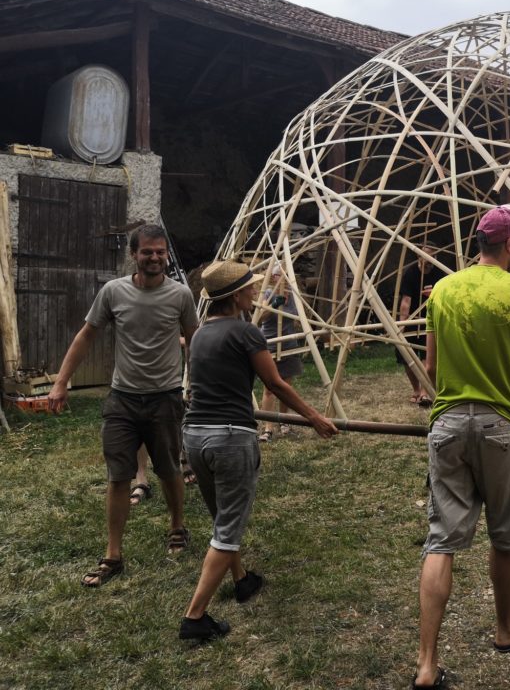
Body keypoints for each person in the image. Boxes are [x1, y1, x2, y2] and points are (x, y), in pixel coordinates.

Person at [412, 205, 510, 690]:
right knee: (505, 531)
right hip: (499, 425)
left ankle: (427, 664)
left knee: (441, 540)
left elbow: (430, 368)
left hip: (448, 423)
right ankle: (506, 626)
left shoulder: (444, 289)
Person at [179, 261, 338, 641]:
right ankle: (195, 617)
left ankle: (242, 580)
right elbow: (275, 383)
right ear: (235, 296)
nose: (255, 292)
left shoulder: (200, 334)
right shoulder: (246, 333)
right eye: (249, 288)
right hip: (230, 438)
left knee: (222, 516)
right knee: (229, 527)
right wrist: (315, 417)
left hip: (195, 436)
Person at [47, 224, 199, 586]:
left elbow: (194, 339)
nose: (155, 257)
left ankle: (177, 527)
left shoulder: (181, 295)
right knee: (118, 476)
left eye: (161, 251)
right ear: (134, 254)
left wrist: (194, 383)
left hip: (165, 398)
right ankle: (113, 555)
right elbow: (86, 335)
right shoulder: (113, 291)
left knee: (168, 470)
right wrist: (61, 381)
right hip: (122, 400)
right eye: (147, 251)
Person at [257, 263, 304, 442]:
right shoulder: (267, 293)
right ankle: (268, 429)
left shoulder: (293, 295)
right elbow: (260, 317)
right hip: (269, 343)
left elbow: (300, 317)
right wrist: (273, 304)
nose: (282, 279)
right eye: (279, 276)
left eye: (285, 275)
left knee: (286, 386)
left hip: (288, 343)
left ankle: (284, 422)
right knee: (270, 388)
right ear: (274, 278)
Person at [397, 246, 445, 407]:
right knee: (407, 356)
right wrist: (402, 324)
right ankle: (416, 390)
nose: (430, 261)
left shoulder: (440, 273)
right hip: (413, 318)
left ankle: (425, 392)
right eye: (427, 257)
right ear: (419, 257)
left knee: (427, 356)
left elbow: (446, 296)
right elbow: (406, 301)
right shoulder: (411, 273)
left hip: (431, 318)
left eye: (434, 257)